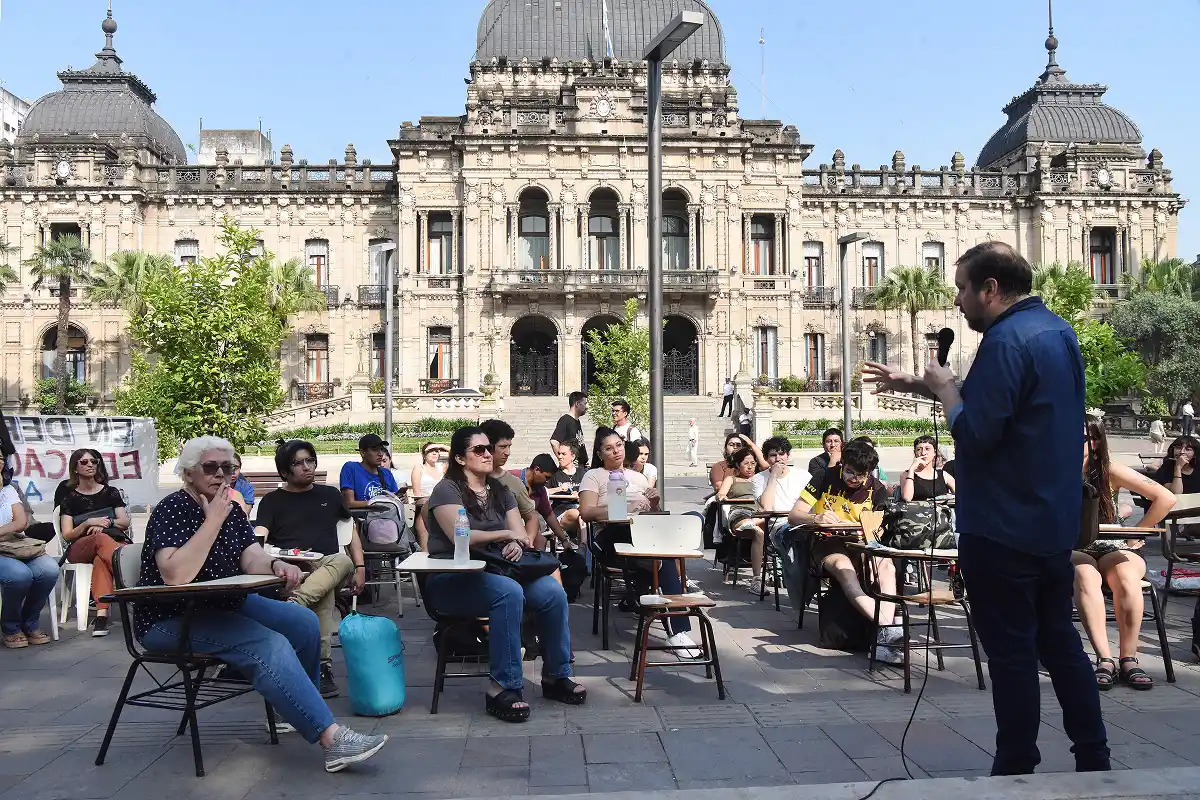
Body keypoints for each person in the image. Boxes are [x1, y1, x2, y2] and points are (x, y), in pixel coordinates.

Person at [864, 240, 1110, 775]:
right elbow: (1009, 411)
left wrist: (949, 388)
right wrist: (920, 386)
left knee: (1013, 655)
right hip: (1049, 526)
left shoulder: (1003, 342)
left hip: (1001, 528)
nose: (957, 302)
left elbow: (975, 435)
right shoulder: (1056, 331)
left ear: (990, 289)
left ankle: (1016, 766)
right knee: (1060, 642)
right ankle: (1094, 755)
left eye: (961, 289)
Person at [136, 436, 387, 772]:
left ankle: (297, 709)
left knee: (303, 622)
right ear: (188, 473)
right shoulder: (174, 508)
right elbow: (176, 575)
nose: (221, 475)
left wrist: (274, 565)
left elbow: (251, 555)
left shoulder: (230, 508)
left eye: (228, 468)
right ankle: (332, 739)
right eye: (210, 467)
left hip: (223, 605)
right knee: (268, 644)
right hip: (171, 617)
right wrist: (212, 520)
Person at [422, 427, 584, 722]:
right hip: (451, 578)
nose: (488, 454)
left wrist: (514, 541)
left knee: (551, 592)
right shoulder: (447, 490)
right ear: (460, 458)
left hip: (500, 570)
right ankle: (502, 686)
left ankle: (556, 676)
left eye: (488, 448)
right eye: (479, 450)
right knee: (508, 593)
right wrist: (506, 533)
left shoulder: (501, 491)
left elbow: (521, 534)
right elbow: (463, 537)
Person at [255, 440, 365, 699]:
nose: (307, 467)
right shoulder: (272, 501)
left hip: (329, 565)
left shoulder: (330, 495)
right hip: (290, 568)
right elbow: (260, 536)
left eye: (310, 461)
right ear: (284, 471)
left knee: (342, 561)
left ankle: (295, 605)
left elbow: (350, 532)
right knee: (323, 592)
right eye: (298, 463)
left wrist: (360, 566)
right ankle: (322, 668)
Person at [579, 429, 701, 658]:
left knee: (670, 546)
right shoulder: (595, 475)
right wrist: (618, 508)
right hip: (612, 536)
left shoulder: (639, 477)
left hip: (644, 535)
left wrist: (654, 503)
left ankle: (676, 629)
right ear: (600, 453)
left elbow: (653, 513)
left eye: (619, 445)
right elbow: (585, 512)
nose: (616, 451)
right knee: (660, 554)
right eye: (609, 448)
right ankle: (663, 616)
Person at [1075, 417, 1175, 691]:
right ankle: (1104, 658)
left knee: (1126, 575)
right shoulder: (1050, 470)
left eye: (1080, 437)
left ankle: (1128, 657)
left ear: (1094, 443)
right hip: (1073, 548)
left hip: (1112, 544)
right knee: (1084, 573)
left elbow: (1166, 498)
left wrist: (1137, 533)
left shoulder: (1109, 470)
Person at [788, 440, 902, 664]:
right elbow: (794, 515)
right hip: (827, 543)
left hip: (862, 543)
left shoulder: (876, 487)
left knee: (885, 566)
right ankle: (889, 629)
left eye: (860, 475)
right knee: (844, 569)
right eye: (849, 471)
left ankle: (884, 634)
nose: (853, 479)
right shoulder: (823, 477)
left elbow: (885, 524)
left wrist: (873, 529)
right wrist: (816, 518)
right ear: (842, 464)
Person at [60, 448, 131, 637]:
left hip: (112, 542)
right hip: (81, 547)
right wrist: (88, 523)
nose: (90, 464)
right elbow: (67, 534)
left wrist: (106, 522)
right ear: (75, 468)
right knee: (100, 539)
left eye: (93, 461)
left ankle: (101, 616)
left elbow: (124, 522)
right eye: (84, 462)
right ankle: (131, 580)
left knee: (101, 559)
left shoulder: (111, 492)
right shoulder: (69, 498)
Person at [752, 437, 811, 612]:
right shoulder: (758, 479)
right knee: (793, 543)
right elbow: (767, 507)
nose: (778, 458)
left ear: (788, 455)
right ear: (766, 458)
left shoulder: (803, 476)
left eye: (782, 454)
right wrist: (773, 477)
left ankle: (810, 587)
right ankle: (800, 596)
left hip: (804, 524)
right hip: (778, 527)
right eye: (773, 455)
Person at [0, 474, 57, 649]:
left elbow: (20, 523)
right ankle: (11, 627)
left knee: (49, 569)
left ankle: (29, 622)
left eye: (1, 458)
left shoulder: (8, 489)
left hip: (13, 544)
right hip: (6, 545)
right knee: (19, 575)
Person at [481, 419, 543, 543]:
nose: (508, 452)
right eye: (502, 447)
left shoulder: (514, 483)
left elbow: (532, 517)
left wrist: (527, 540)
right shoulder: (462, 481)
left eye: (509, 446)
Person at [716, 447, 767, 594]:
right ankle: (757, 580)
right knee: (759, 532)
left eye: (753, 463)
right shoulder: (731, 479)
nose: (750, 467)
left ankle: (751, 523)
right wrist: (722, 497)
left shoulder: (759, 479)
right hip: (739, 513)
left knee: (766, 525)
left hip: (758, 513)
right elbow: (721, 494)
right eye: (746, 463)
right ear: (738, 465)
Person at [340, 433, 404, 547]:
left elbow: (393, 501)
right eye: (374, 449)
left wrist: (399, 499)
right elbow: (349, 503)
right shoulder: (351, 468)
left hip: (386, 523)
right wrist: (378, 503)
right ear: (363, 452)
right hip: (361, 522)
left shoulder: (386, 474)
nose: (380, 453)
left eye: (381, 449)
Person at [517, 453, 575, 551]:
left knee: (540, 541)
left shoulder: (541, 490)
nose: (547, 482)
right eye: (546, 477)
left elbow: (549, 515)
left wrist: (564, 540)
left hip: (529, 531)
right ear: (537, 470)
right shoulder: (512, 478)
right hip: (506, 528)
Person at [411, 442, 448, 551]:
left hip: (442, 505)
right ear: (424, 455)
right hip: (424, 505)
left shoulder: (442, 467)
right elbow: (417, 494)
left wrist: (441, 445)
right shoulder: (419, 468)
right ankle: (424, 550)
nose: (434, 453)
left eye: (437, 451)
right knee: (425, 512)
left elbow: (459, 455)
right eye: (430, 451)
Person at [901, 435, 956, 501]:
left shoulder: (943, 475)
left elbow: (961, 494)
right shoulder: (906, 474)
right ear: (915, 453)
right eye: (919, 449)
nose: (923, 453)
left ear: (934, 453)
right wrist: (912, 469)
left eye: (927, 449)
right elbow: (907, 498)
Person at [550, 392, 589, 466]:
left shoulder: (576, 421)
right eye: (585, 403)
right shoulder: (565, 420)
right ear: (577, 404)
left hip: (581, 467)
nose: (587, 407)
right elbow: (554, 442)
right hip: (572, 471)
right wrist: (565, 462)